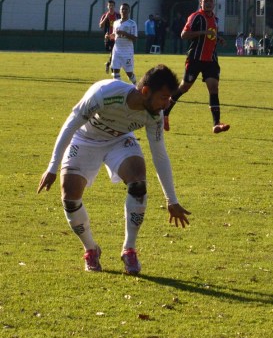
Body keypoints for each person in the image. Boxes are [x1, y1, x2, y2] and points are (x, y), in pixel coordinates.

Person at [36, 64, 191, 274]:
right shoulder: (105, 94)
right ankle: (91, 249)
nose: (166, 104)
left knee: (138, 181)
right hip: (85, 139)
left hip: (119, 140)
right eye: (163, 97)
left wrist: (171, 199)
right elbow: (70, 125)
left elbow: (160, 155)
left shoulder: (154, 115)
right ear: (145, 91)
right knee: (69, 196)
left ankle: (129, 249)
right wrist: (52, 166)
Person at [162, 0, 230, 134]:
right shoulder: (195, 17)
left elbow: (211, 36)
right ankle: (165, 113)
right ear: (201, 2)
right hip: (195, 59)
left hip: (211, 59)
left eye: (211, 0)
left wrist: (218, 39)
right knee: (184, 87)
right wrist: (203, 32)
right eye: (206, 1)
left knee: (214, 87)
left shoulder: (215, 19)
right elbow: (184, 34)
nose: (209, 3)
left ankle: (216, 123)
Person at [110, 3, 138, 84]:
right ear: (120, 11)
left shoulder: (132, 23)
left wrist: (124, 33)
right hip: (116, 51)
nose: (124, 11)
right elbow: (114, 35)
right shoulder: (116, 23)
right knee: (115, 71)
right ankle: (118, 90)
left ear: (129, 11)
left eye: (126, 9)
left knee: (129, 73)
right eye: (122, 9)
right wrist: (108, 36)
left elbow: (135, 38)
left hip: (127, 52)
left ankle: (136, 85)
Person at [99, 0, 118, 74]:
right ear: (107, 6)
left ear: (114, 6)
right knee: (111, 52)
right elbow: (101, 26)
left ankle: (113, 70)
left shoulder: (118, 15)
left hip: (116, 37)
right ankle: (108, 63)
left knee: (114, 53)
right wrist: (105, 18)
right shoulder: (105, 15)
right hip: (108, 37)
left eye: (112, 5)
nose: (111, 7)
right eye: (109, 6)